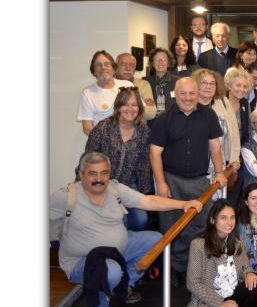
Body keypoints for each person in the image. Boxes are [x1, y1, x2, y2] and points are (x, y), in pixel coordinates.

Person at [49, 152, 202, 307]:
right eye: (93, 173)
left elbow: (147, 201)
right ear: (81, 174)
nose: (99, 179)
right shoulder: (66, 196)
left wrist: (183, 204)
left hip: (117, 250)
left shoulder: (115, 189)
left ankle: (123, 284)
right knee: (111, 270)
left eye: (104, 173)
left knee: (156, 240)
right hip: (81, 261)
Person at [149, 77, 228, 283]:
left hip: (199, 181)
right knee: (171, 227)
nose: (188, 97)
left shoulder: (208, 115)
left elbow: (215, 147)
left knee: (201, 226)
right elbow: (155, 153)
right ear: (176, 94)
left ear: (197, 93)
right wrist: (161, 183)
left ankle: (190, 267)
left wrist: (219, 172)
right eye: (183, 93)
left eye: (192, 93)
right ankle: (175, 268)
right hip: (171, 180)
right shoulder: (164, 118)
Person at [187, 199, 257, 307]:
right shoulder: (198, 245)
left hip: (233, 294)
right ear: (213, 220)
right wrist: (220, 303)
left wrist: (249, 273)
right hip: (213, 302)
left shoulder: (236, 240)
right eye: (223, 218)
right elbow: (193, 283)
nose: (229, 222)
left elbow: (245, 266)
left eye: (232, 217)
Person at [83, 87, 152, 231]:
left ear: (139, 108)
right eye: (125, 104)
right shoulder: (103, 127)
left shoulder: (144, 131)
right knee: (120, 220)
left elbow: (144, 164)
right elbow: (87, 159)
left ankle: (133, 249)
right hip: (104, 185)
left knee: (141, 220)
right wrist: (82, 188)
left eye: (134, 105)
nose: (130, 109)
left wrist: (144, 195)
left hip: (129, 186)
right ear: (118, 106)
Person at [193, 69, 241, 182]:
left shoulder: (223, 102)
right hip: (196, 166)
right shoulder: (189, 104)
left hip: (221, 162)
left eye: (212, 83)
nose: (208, 86)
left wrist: (234, 158)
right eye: (204, 83)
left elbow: (234, 132)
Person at [77, 50, 134, 135]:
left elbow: (139, 115)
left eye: (107, 64)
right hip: (103, 145)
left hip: (130, 142)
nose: (103, 67)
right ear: (94, 71)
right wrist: (107, 143)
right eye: (98, 65)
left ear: (114, 68)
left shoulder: (128, 85)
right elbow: (87, 128)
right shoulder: (87, 93)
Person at [115, 53, 156, 121]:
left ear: (135, 68)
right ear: (116, 67)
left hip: (138, 129)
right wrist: (140, 104)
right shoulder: (109, 85)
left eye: (131, 65)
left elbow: (151, 113)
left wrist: (121, 107)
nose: (128, 68)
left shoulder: (143, 85)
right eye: (123, 64)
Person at [144, 48, 180, 121]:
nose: (160, 62)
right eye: (157, 59)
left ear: (169, 63)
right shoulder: (145, 82)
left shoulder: (179, 82)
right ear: (152, 64)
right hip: (151, 124)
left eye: (164, 59)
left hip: (173, 122)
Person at [224, 67, 253, 145]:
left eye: (245, 87)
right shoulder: (220, 103)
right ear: (229, 86)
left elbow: (248, 131)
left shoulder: (245, 104)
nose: (242, 89)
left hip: (240, 149)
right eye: (238, 85)